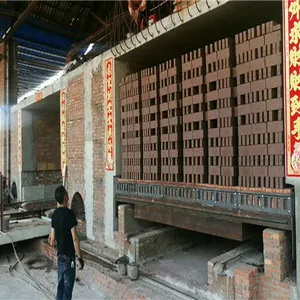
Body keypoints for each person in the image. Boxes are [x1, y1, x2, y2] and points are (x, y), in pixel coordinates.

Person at [49, 185, 84, 300]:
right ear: (65, 197)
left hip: (60, 257)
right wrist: (80, 257)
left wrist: (55, 240)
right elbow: (75, 238)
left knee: (60, 288)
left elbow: (52, 239)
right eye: (67, 195)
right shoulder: (69, 214)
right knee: (67, 292)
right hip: (69, 257)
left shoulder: (54, 215)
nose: (68, 197)